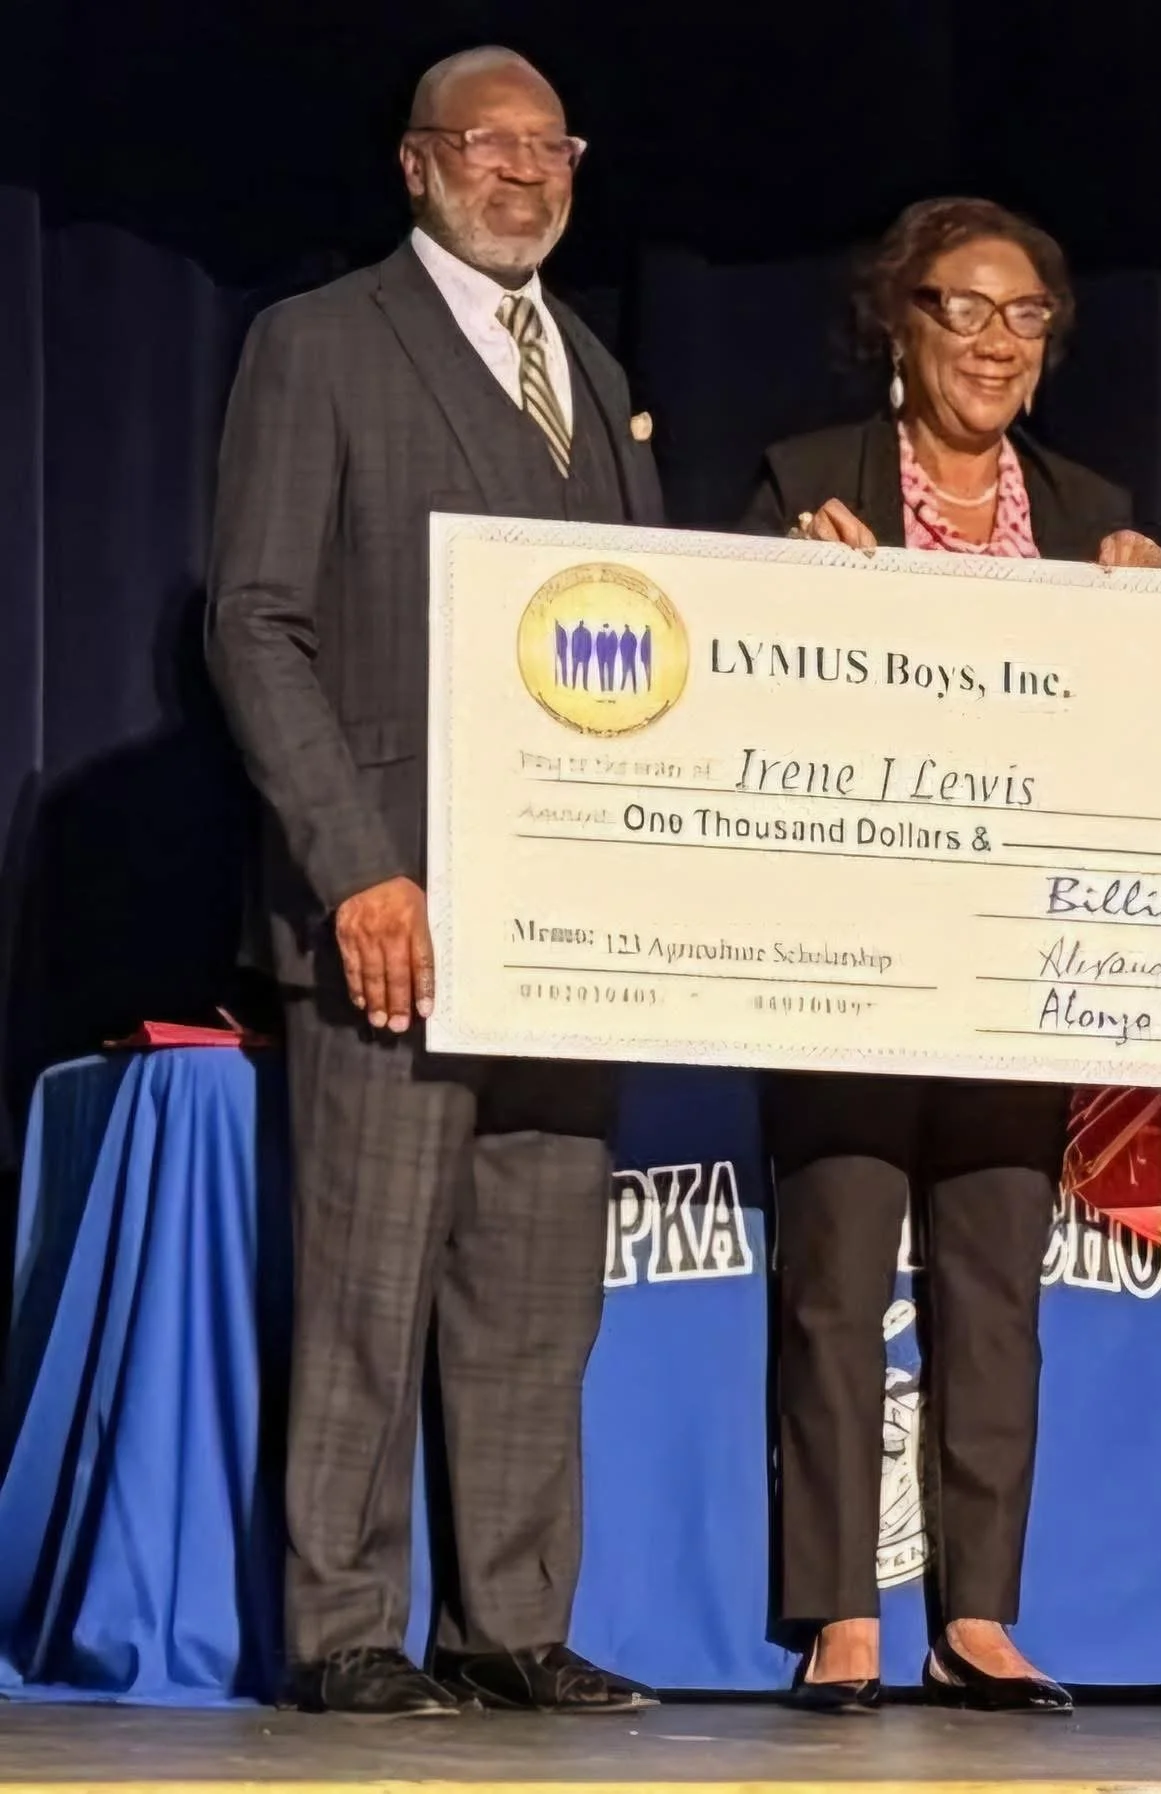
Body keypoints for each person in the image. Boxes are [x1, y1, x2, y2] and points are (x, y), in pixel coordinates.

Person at [207, 47, 664, 1719]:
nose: (526, 169)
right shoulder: (317, 344)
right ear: (416, 164)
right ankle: (345, 1629)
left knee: (537, 1293)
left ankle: (510, 1619)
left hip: (563, 920)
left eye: (553, 143)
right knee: (367, 1280)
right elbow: (254, 621)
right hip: (392, 912)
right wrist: (356, 869)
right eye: (491, 142)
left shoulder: (600, 372)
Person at [741, 196, 1161, 1714]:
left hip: (1013, 978)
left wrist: (1154, 628)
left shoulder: (1096, 518)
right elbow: (732, 720)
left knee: (997, 1295)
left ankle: (979, 1611)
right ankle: (840, 1611)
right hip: (849, 970)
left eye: (1024, 317)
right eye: (961, 308)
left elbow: (1146, 752)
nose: (992, 341)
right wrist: (786, 592)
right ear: (897, 324)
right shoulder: (805, 490)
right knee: (836, 1283)